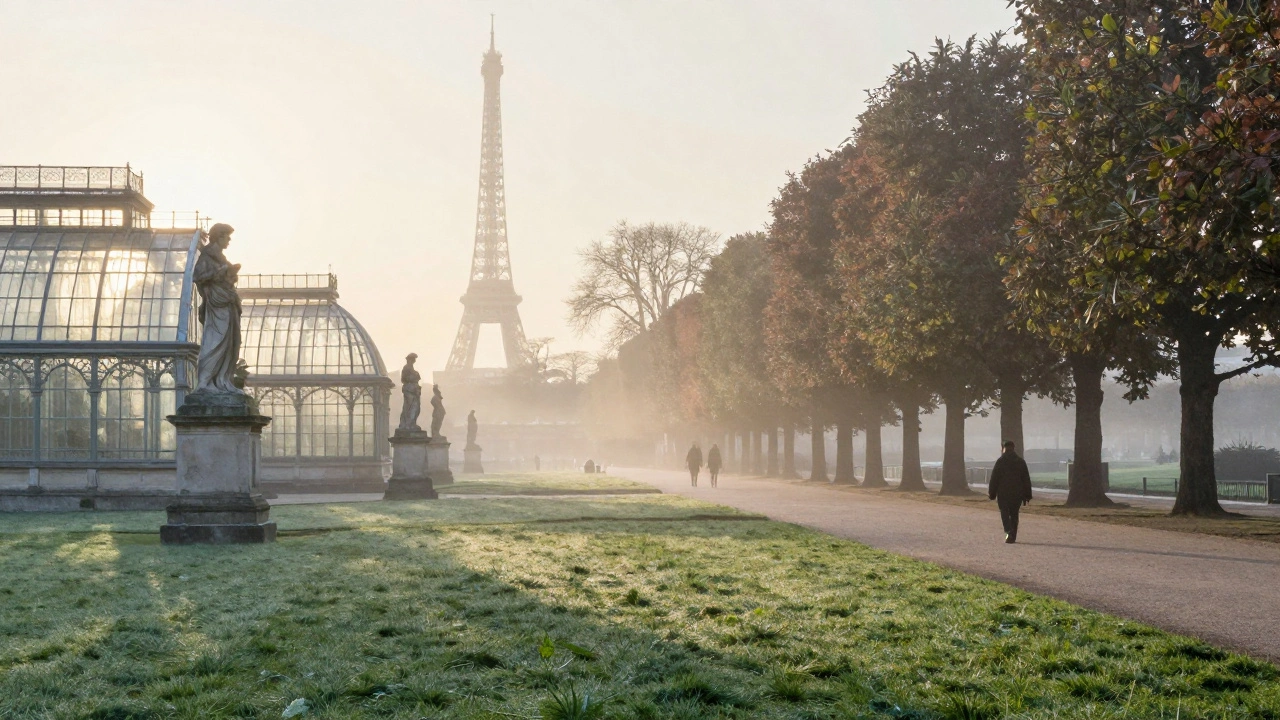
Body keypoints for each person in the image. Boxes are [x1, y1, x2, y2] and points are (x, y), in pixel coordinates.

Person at [988, 440, 1032, 543]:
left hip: (1003, 492)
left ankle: (1008, 530)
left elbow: (994, 478)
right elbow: (1026, 479)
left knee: (1004, 512)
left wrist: (992, 493)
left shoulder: (1000, 462)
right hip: (1017, 493)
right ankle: (1013, 535)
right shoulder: (1020, 462)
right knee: (1014, 514)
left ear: (1003, 448)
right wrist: (1027, 495)